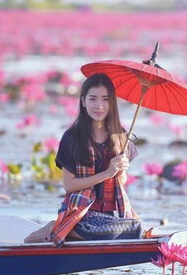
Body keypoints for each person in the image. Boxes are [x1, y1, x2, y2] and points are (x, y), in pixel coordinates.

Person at [24, 73, 143, 247]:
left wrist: (120, 170)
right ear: (83, 101)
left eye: (105, 99)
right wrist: (108, 172)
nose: (99, 106)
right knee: (133, 230)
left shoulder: (120, 136)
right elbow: (69, 185)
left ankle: (61, 230)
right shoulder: (72, 137)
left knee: (135, 229)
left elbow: (120, 182)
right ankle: (59, 227)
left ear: (112, 103)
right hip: (79, 214)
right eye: (93, 99)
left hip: (108, 217)